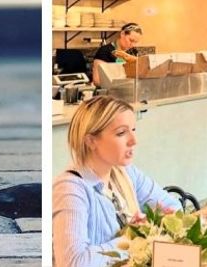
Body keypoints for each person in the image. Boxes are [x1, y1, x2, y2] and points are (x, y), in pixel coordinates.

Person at [53, 95, 181, 266]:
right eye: (121, 133)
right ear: (91, 141)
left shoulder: (126, 172)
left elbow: (174, 208)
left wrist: (146, 230)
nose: (134, 141)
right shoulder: (70, 189)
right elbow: (74, 262)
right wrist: (133, 237)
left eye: (133, 130)